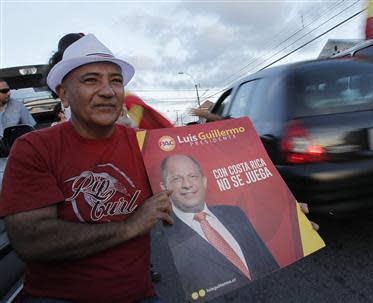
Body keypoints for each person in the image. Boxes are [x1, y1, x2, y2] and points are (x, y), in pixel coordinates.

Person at [0, 33, 173, 303]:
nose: (107, 90)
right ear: (64, 94)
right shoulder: (34, 148)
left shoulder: (144, 144)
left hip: (139, 295)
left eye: (116, 81)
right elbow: (29, 240)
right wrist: (131, 226)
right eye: (91, 80)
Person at [159, 154, 279, 299]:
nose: (187, 184)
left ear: (204, 182)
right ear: (164, 187)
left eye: (192, 176)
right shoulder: (165, 237)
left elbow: (268, 263)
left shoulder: (235, 213)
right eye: (177, 178)